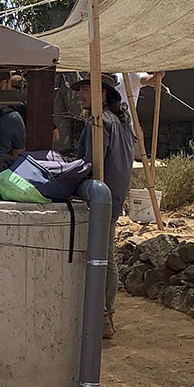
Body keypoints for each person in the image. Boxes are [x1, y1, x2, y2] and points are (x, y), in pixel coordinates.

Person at [74, 77, 135, 339]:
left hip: (101, 199)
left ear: (103, 93)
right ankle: (104, 315)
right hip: (115, 196)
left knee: (103, 258)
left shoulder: (99, 123)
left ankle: (103, 317)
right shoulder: (122, 121)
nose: (80, 96)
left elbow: (88, 164)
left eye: (86, 91)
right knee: (105, 257)